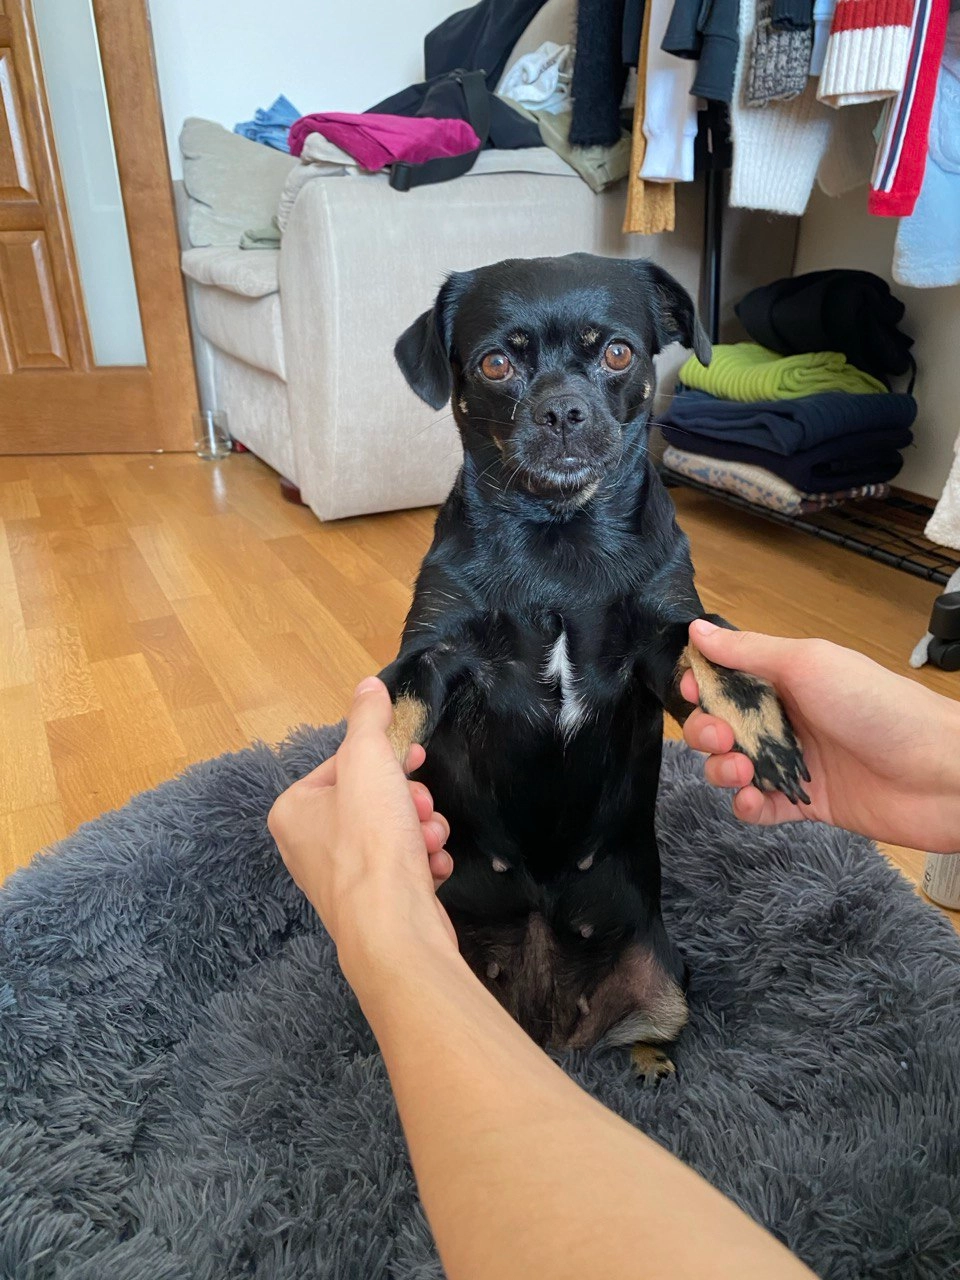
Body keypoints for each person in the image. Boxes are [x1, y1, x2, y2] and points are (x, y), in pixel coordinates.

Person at [268, 620, 960, 1280]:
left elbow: (674, 654)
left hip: (614, 940)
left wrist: (386, 923)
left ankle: (582, 1031)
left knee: (653, 1001)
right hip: (487, 919)